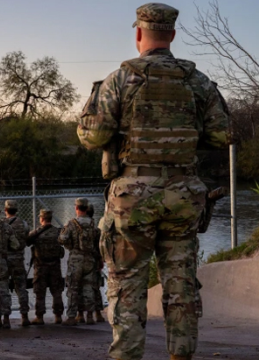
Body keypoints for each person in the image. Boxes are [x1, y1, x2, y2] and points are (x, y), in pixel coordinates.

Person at [77, 3, 229, 359]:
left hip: (132, 199)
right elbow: (223, 136)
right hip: (184, 197)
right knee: (181, 286)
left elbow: (92, 136)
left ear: (138, 35)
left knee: (127, 286)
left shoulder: (119, 80)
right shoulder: (198, 82)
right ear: (172, 35)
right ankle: (181, 354)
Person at [59, 198, 97, 326]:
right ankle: (90, 316)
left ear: (76, 208)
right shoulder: (93, 223)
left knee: (73, 288)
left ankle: (71, 316)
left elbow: (62, 238)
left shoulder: (72, 223)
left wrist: (70, 245)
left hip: (76, 258)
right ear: (87, 209)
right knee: (88, 287)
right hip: (89, 259)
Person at [26, 209, 64, 325]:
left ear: (41, 219)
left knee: (40, 292)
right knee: (57, 291)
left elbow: (27, 242)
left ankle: (40, 317)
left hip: (41, 266)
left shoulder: (36, 233)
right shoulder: (58, 232)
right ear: (51, 219)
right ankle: (58, 316)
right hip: (55, 266)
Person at [0, 200, 31, 327]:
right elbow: (26, 237)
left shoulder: (0, 224)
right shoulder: (24, 223)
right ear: (16, 210)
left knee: (3, 288)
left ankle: (5, 318)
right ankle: (25, 316)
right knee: (21, 288)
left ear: (5, 210)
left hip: (4, 260)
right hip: (18, 259)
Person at [84, 204, 106, 324]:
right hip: (94, 259)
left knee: (81, 287)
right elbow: (100, 246)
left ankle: (82, 314)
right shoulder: (96, 229)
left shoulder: (75, 225)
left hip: (80, 260)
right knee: (95, 287)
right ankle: (97, 313)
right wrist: (100, 259)